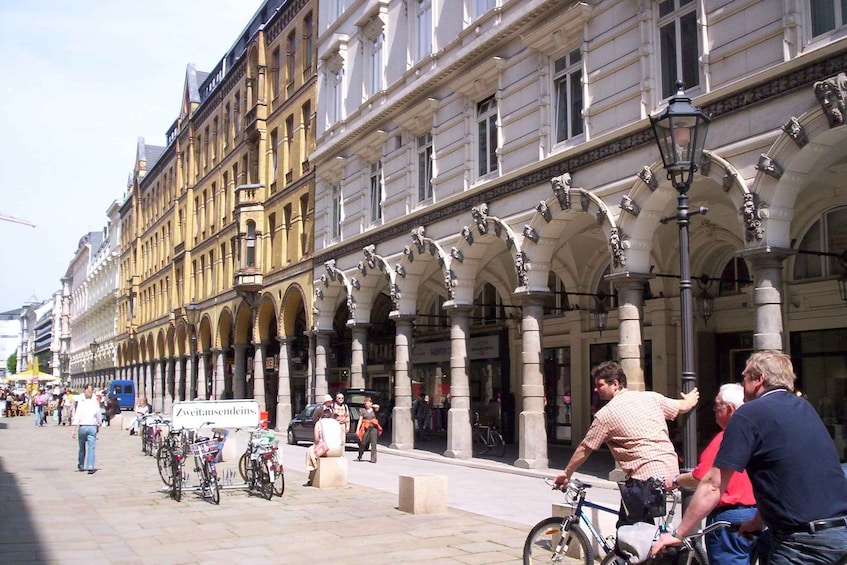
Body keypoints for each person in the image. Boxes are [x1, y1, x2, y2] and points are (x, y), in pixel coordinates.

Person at [651, 351, 847, 564]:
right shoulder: (804, 408)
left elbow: (713, 484)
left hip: (800, 543)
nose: (742, 383)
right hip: (838, 531)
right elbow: (782, 474)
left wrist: (678, 534)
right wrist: (757, 521)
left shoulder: (749, 413)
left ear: (759, 380)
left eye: (744, 377)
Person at [554, 360, 699, 527]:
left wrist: (567, 473)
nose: (595, 389)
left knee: (629, 533)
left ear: (615, 384)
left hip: (644, 479)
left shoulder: (606, 415)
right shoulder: (650, 397)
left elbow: (585, 448)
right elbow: (682, 406)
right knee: (646, 531)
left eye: (599, 385)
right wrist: (690, 398)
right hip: (669, 472)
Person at [673, 383, 758, 564]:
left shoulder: (727, 438)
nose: (713, 409)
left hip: (729, 517)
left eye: (717, 405)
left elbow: (701, 478)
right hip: (756, 514)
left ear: (729, 409)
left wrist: (676, 480)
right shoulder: (755, 433)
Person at [304, 395, 343, 486]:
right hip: (338, 449)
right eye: (329, 401)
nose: (330, 403)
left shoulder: (320, 423)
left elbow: (316, 439)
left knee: (311, 452)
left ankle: (312, 475)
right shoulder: (335, 422)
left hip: (326, 449)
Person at [71, 384, 102, 474]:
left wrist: (73, 429)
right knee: (91, 448)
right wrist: (99, 424)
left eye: (90, 391)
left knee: (82, 447)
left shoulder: (82, 402)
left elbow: (77, 416)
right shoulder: (95, 402)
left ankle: (81, 465)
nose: (90, 392)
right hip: (91, 426)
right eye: (89, 391)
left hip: (84, 427)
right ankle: (90, 466)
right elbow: (98, 414)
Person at [356, 396, 382, 463]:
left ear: (371, 403)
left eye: (368, 403)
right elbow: (360, 420)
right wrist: (357, 429)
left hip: (373, 428)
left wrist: (371, 405)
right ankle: (360, 455)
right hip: (366, 427)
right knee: (363, 442)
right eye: (365, 403)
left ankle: (373, 459)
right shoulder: (363, 410)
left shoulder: (374, 410)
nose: (366, 404)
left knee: (374, 443)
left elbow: (378, 406)